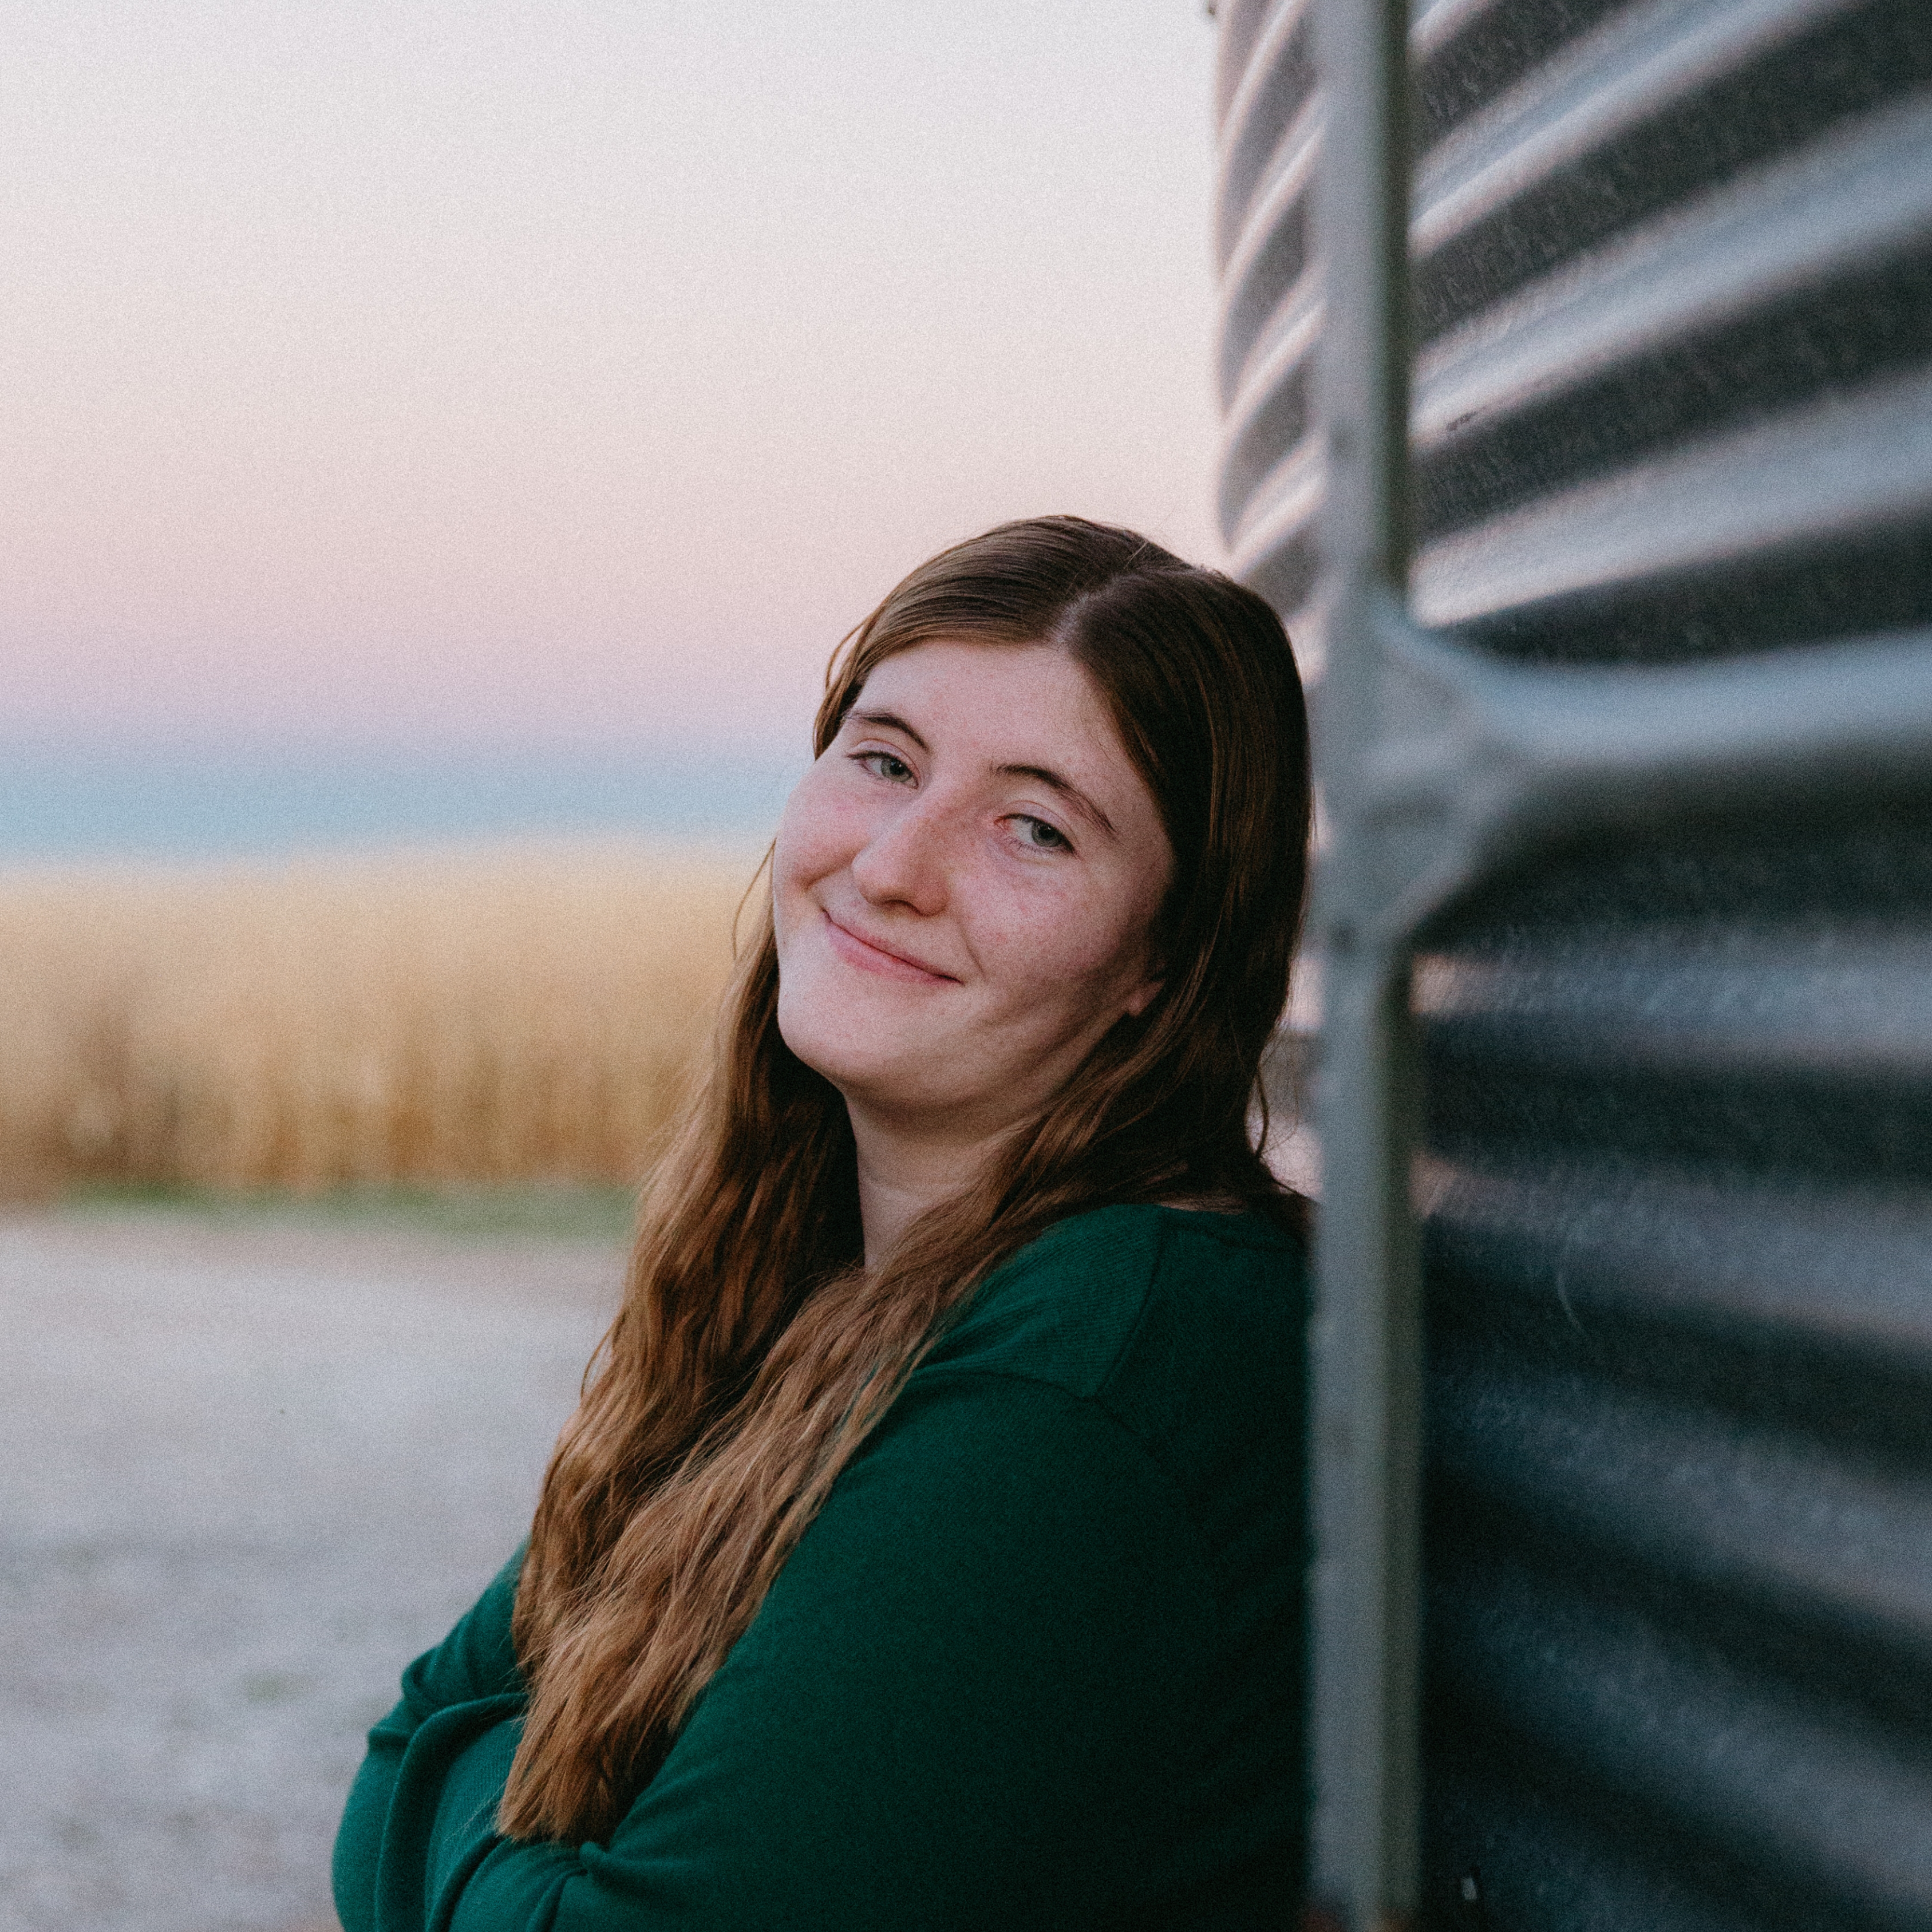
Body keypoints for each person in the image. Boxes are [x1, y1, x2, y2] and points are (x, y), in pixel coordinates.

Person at [332, 515, 1313, 1930]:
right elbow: (400, 1756)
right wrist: (452, 1778)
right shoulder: (815, 1281)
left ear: (1162, 962)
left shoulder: (1096, 1364)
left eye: (1033, 826)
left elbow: (422, 1759)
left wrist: (458, 1777)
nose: (896, 863)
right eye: (883, 759)